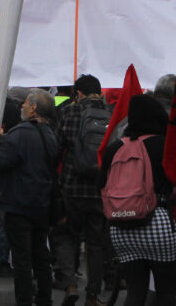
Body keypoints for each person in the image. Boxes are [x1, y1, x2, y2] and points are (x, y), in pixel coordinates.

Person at [98, 94, 176, 306]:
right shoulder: (165, 146)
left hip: (120, 226)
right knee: (166, 291)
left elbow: (100, 185)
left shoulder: (115, 148)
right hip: (158, 222)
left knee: (135, 292)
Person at [0, 89, 60, 306]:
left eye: (26, 103)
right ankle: (44, 298)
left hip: (18, 204)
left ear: (34, 108)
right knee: (41, 255)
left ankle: (25, 300)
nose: (22, 106)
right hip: (42, 204)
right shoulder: (51, 135)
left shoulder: (20, 134)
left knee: (22, 259)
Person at [55, 74, 111, 306]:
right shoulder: (112, 114)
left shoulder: (69, 112)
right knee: (96, 242)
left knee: (67, 235)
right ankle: (93, 294)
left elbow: (57, 148)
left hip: (71, 185)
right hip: (100, 187)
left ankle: (70, 284)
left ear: (78, 93)